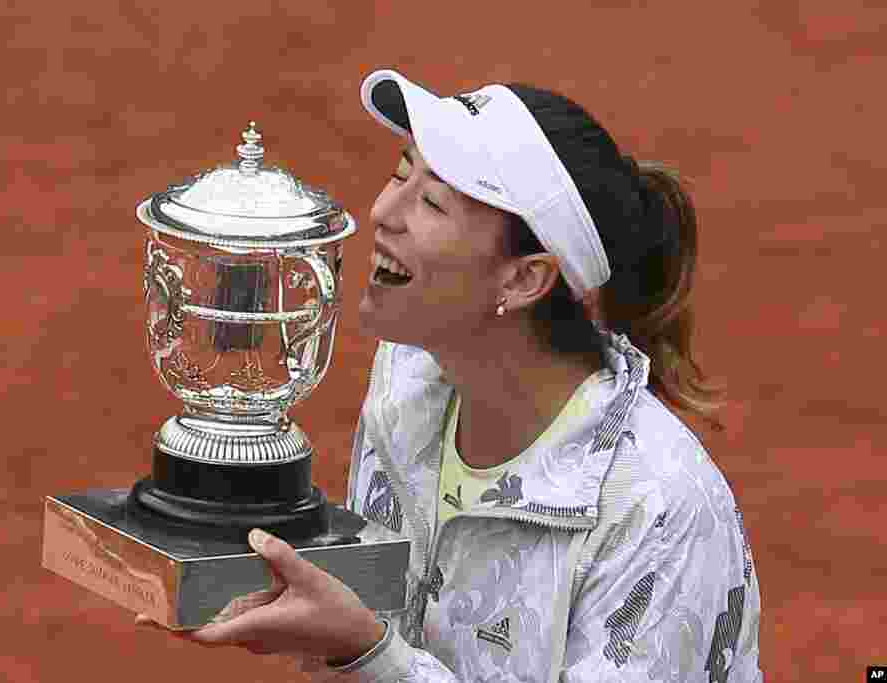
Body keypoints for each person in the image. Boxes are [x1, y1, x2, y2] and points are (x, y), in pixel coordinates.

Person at [136, 69, 764, 683]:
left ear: (523, 280)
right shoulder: (407, 388)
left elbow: (379, 651)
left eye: (432, 202)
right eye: (400, 174)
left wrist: (366, 652)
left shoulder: (657, 507)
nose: (383, 212)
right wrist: (312, 619)